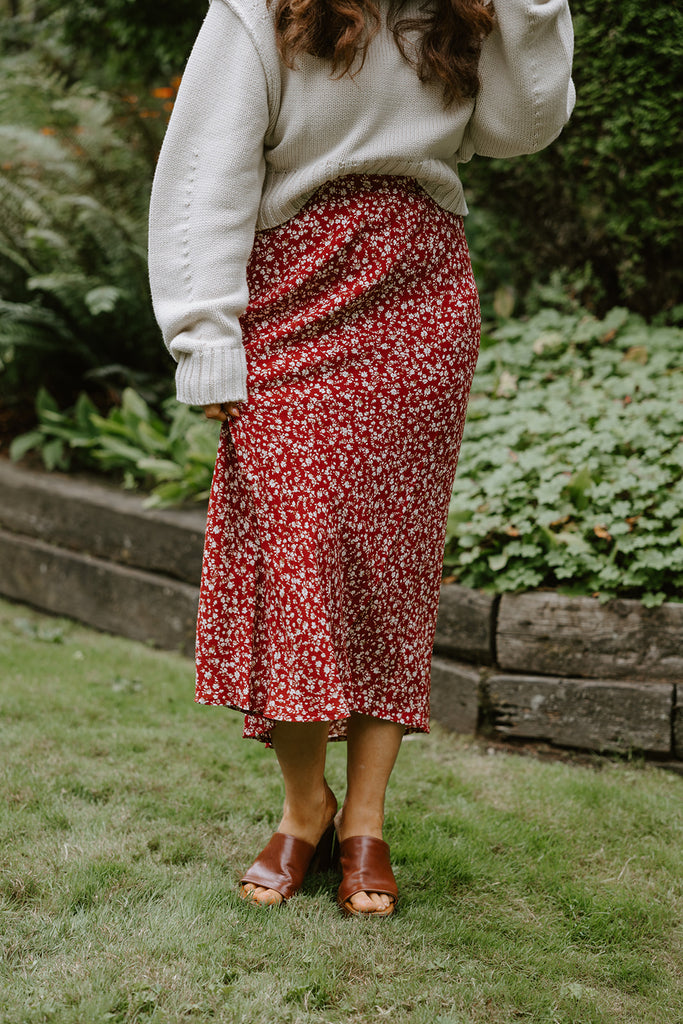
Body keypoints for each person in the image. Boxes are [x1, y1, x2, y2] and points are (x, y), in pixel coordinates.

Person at [148, 0, 575, 917]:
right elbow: (202, 171)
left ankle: (363, 825)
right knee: (295, 560)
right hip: (293, 293)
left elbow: (519, 128)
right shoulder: (258, 11)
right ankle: (305, 807)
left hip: (421, 295)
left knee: (390, 568)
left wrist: (532, 13)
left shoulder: (458, 11)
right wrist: (204, 335)